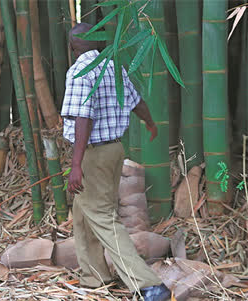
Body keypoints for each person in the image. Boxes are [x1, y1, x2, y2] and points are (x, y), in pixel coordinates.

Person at [61, 23, 171, 301]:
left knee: (102, 216)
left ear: (73, 47)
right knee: (84, 214)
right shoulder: (112, 67)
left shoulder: (79, 71)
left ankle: (148, 285)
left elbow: (83, 118)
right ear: (96, 43)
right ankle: (94, 277)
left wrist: (76, 165)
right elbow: (135, 101)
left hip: (92, 153)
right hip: (114, 151)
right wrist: (150, 122)